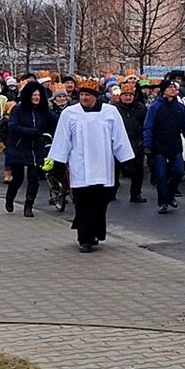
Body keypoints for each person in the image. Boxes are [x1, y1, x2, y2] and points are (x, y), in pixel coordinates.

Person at [49, 80, 135, 252]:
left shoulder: (110, 112)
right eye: (81, 94)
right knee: (82, 202)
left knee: (100, 202)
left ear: (95, 96)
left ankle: (96, 232)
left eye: (87, 95)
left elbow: (119, 138)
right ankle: (84, 238)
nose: (84, 98)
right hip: (80, 166)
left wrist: (126, 160)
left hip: (103, 165)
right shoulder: (70, 113)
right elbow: (62, 139)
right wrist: (58, 162)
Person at [4, 82, 56, 216]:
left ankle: (29, 205)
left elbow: (55, 121)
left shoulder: (44, 111)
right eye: (34, 95)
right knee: (18, 178)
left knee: (34, 178)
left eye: (38, 95)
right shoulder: (18, 110)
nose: (37, 97)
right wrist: (32, 132)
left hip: (36, 148)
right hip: (19, 147)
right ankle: (10, 198)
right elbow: (13, 126)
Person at [143, 78, 185, 214]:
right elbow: (148, 127)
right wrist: (147, 145)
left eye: (175, 88)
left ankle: (170, 194)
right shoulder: (155, 107)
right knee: (161, 175)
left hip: (175, 144)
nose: (173, 90)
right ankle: (162, 202)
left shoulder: (180, 107)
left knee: (179, 171)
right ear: (164, 90)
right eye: (170, 88)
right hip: (159, 145)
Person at [113, 83, 148, 203]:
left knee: (138, 170)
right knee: (115, 169)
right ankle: (112, 192)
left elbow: (145, 124)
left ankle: (136, 194)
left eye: (130, 95)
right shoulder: (114, 109)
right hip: (119, 143)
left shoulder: (140, 108)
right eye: (125, 95)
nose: (128, 97)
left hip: (136, 142)